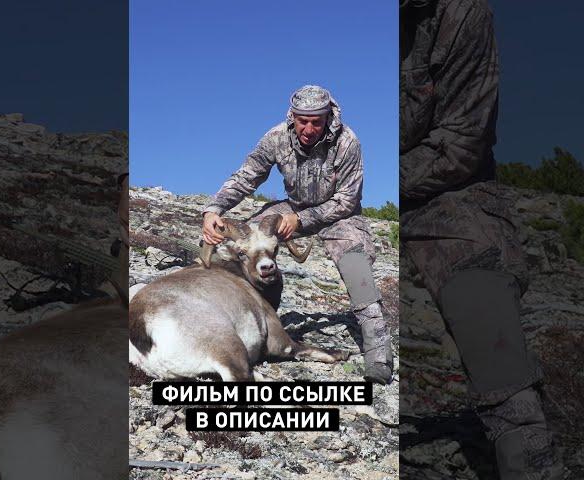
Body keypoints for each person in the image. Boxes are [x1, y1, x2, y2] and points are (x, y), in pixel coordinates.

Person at [400, 0, 563, 478]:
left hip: (446, 185)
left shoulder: (461, 14)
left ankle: (524, 446)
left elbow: (462, 143)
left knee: (478, 285)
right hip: (353, 188)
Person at [201, 85, 393, 385]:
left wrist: (300, 219)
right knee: (248, 239)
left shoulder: (347, 142)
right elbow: (247, 176)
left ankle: (378, 352)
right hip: (292, 206)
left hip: (339, 214)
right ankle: (247, 315)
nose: (309, 128)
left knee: (356, 266)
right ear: (293, 116)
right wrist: (213, 209)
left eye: (316, 121)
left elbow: (347, 199)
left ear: (328, 116)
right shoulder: (276, 137)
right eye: (303, 120)